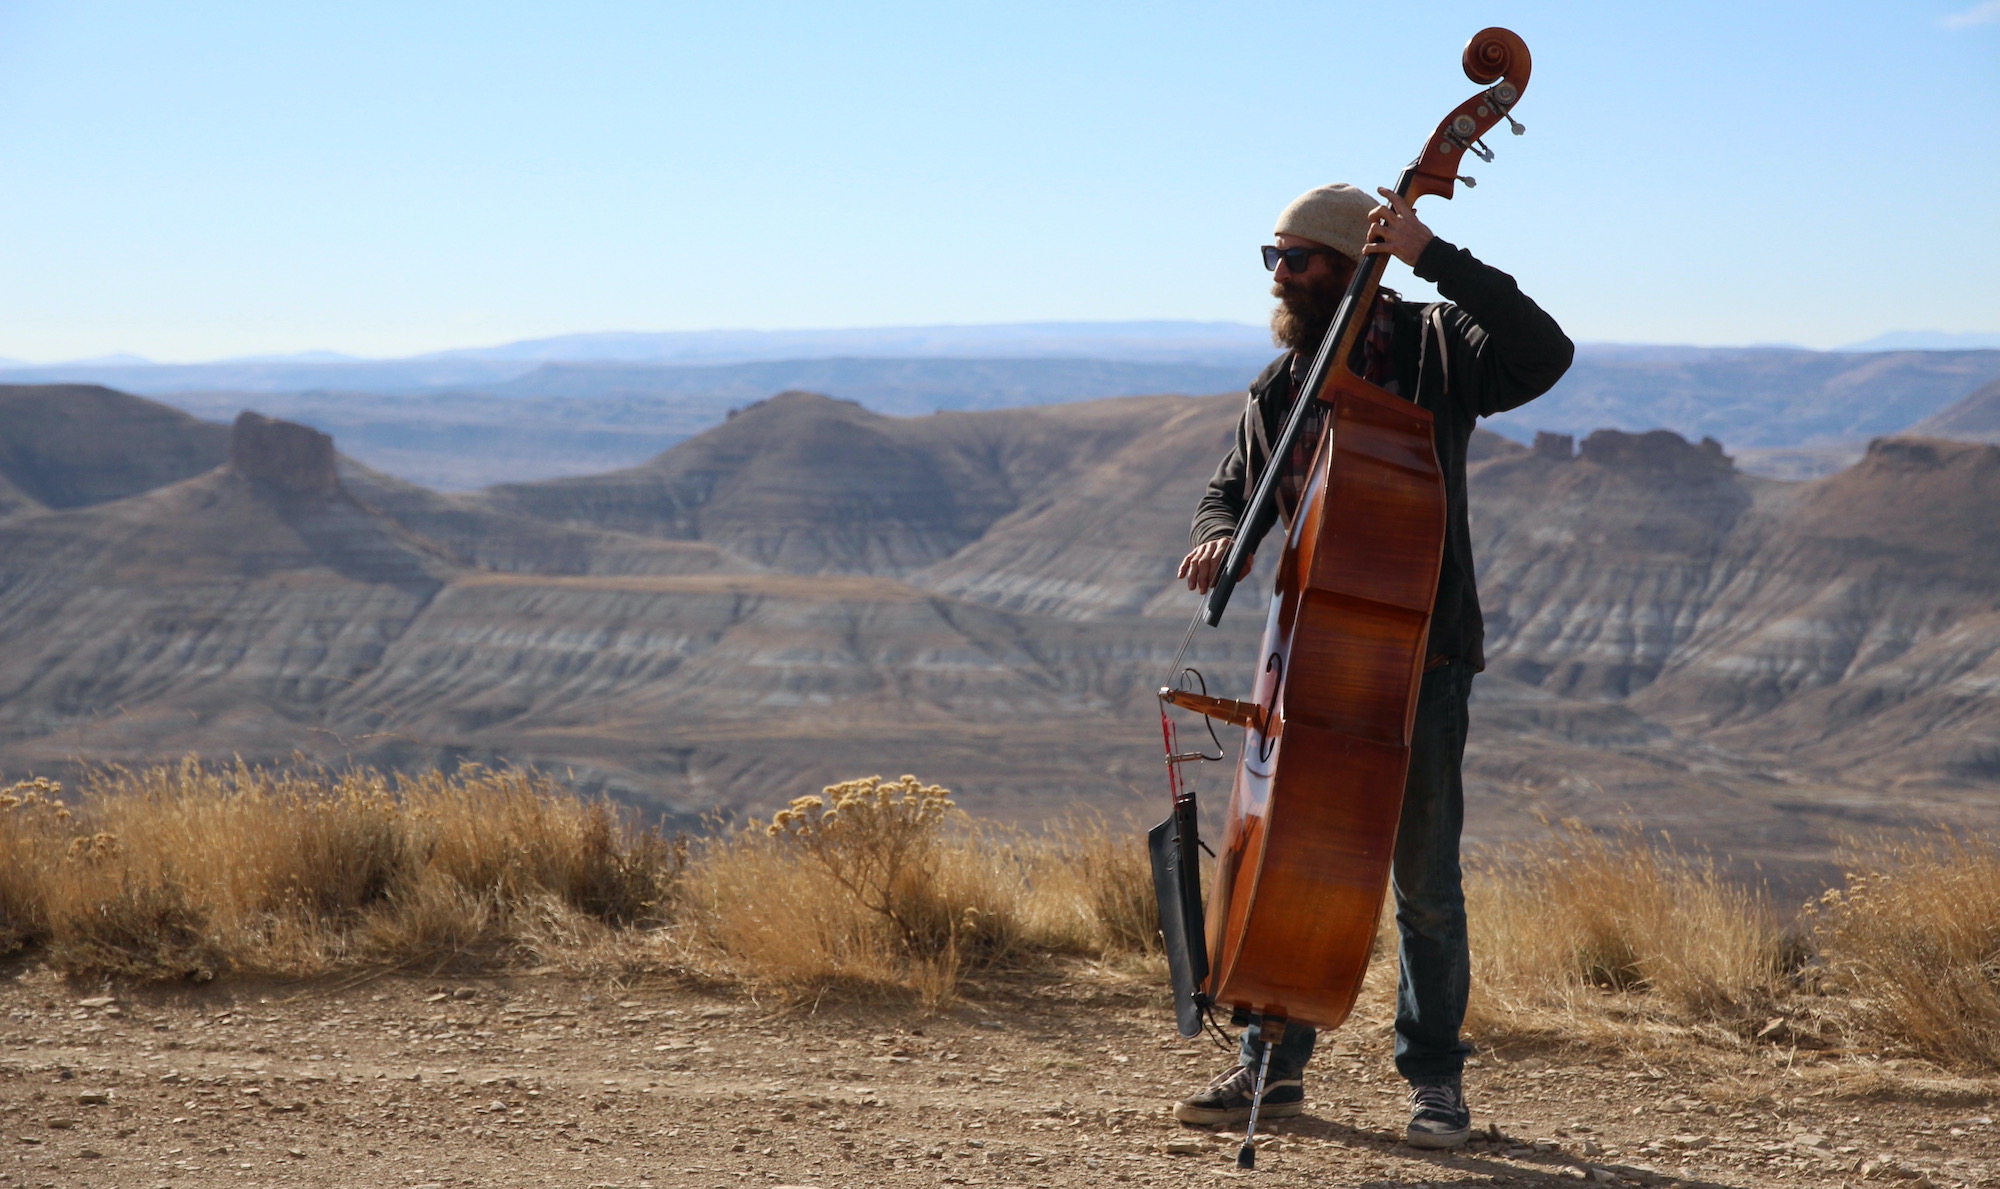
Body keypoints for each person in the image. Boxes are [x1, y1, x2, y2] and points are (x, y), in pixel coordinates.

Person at [1170, 182, 1573, 1149]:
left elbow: (1544, 352)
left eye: (1294, 259)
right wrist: (1222, 539)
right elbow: (1231, 491)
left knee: (1424, 879)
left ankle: (1435, 1080)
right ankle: (1273, 1060)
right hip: (1306, 663)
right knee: (1296, 862)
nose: (1278, 276)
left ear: (1352, 263)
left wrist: (1436, 253)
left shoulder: (1439, 347)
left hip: (1419, 653)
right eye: (1270, 257)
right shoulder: (1284, 384)